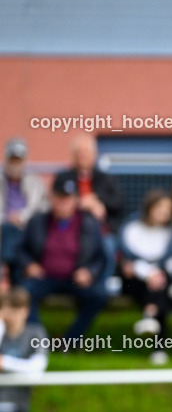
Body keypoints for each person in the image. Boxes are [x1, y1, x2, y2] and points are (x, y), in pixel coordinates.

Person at [18, 177, 107, 340]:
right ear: (51, 198)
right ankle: (39, 339)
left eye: (67, 198)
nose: (63, 203)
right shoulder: (38, 221)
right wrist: (29, 264)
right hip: (44, 276)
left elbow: (100, 257)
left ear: (75, 200)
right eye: (59, 197)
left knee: (99, 295)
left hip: (75, 278)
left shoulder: (88, 222)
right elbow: (22, 250)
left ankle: (70, 340)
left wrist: (89, 272)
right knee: (24, 293)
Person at [119, 189, 172, 365]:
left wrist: (154, 274)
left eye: (168, 209)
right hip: (134, 282)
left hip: (160, 279)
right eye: (160, 207)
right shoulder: (131, 228)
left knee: (160, 286)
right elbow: (127, 261)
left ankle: (149, 315)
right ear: (149, 207)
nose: (164, 212)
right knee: (159, 290)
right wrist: (146, 272)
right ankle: (159, 349)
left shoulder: (171, 234)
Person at [52, 134, 124, 284]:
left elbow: (119, 203)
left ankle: (104, 284)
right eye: (80, 153)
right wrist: (80, 203)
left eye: (86, 152)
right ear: (74, 155)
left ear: (94, 155)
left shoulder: (106, 178)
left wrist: (100, 205)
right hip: (71, 230)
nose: (83, 156)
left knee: (108, 246)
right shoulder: (63, 177)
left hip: (101, 230)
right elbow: (56, 201)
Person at [0, 139, 48, 285]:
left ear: (25, 160)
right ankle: (14, 275)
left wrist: (21, 217)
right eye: (12, 160)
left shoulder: (37, 184)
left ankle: (6, 266)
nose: (15, 164)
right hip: (3, 230)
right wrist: (8, 218)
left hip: (26, 231)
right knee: (9, 230)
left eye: (18, 160)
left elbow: (43, 211)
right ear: (6, 160)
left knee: (13, 236)